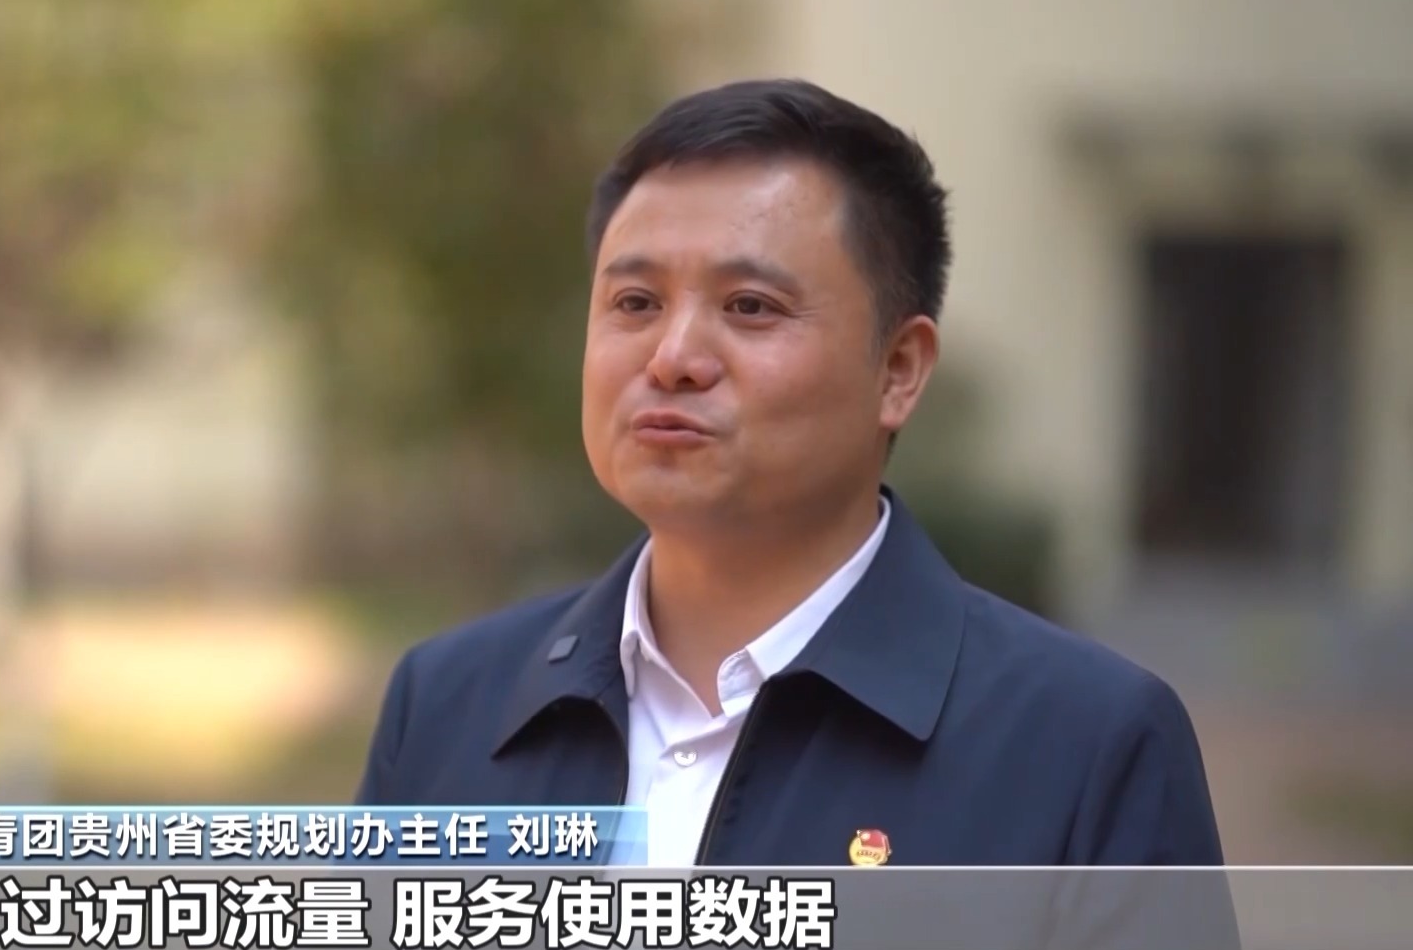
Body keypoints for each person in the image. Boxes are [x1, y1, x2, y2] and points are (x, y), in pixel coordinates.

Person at [353, 79, 1231, 873]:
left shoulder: (1087, 748)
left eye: (750, 306)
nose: (673, 357)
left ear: (898, 370)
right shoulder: (444, 706)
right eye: (635, 303)